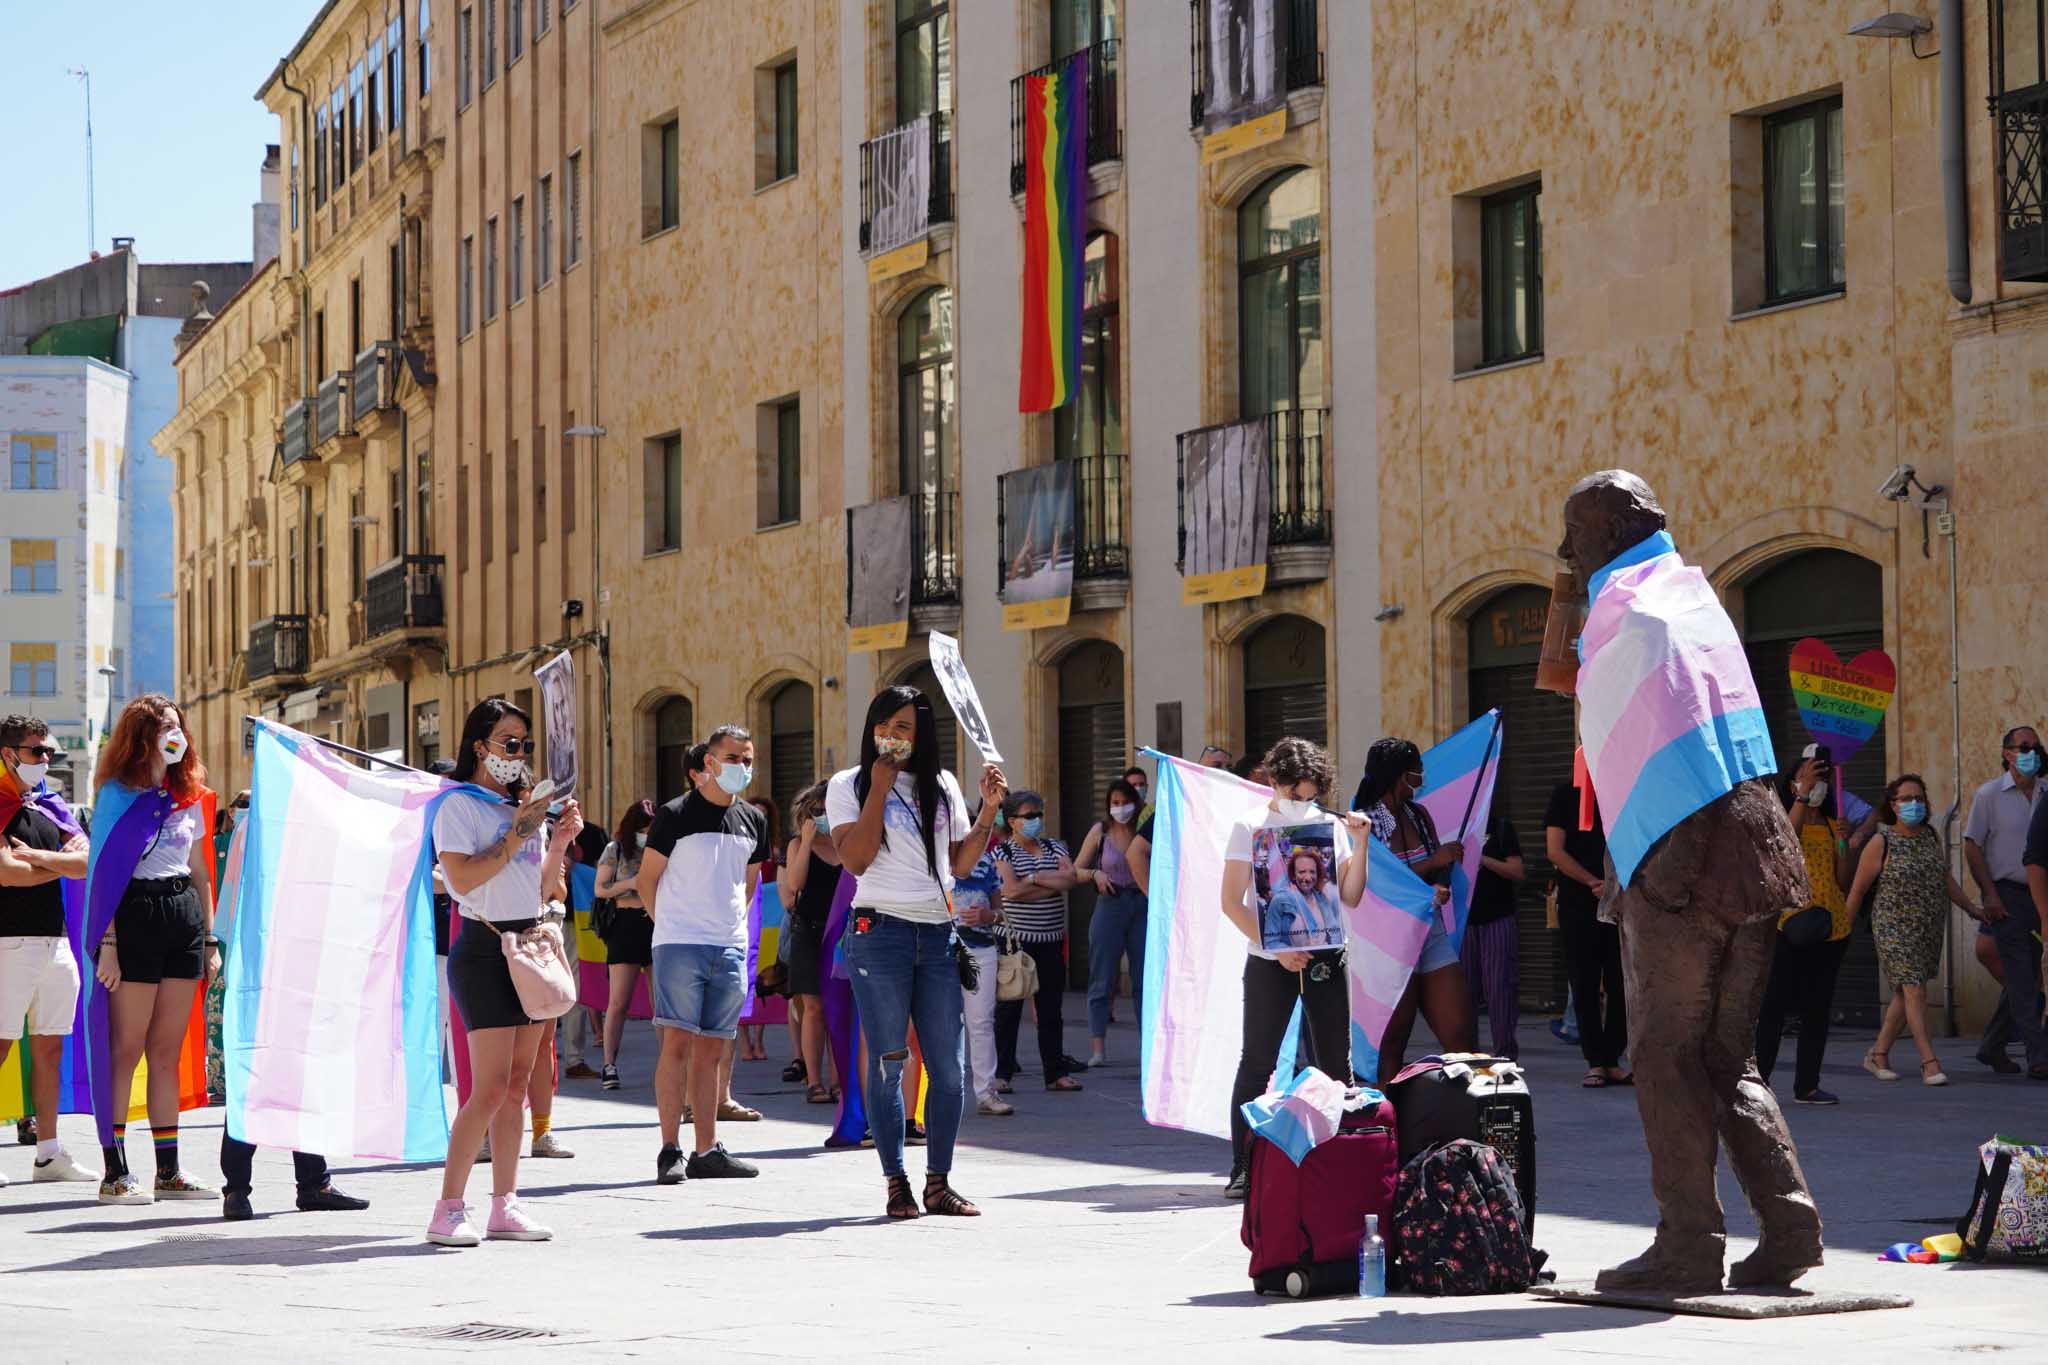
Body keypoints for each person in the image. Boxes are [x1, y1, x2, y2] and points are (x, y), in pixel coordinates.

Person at [1560, 469, 1818, 1294]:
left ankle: (1687, 1241)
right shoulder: (1692, 600)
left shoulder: (1629, 613)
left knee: (1666, 1054)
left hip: (1687, 854)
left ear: (1605, 533)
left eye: (1574, 532)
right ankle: (1788, 1224)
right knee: (1727, 1054)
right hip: (1757, 843)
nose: (1566, 550)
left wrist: (1658, 870)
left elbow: (1676, 747)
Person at [826, 683, 1006, 1219]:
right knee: (889, 1061)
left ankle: (938, 1182)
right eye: (884, 725)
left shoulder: (943, 784)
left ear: (922, 734)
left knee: (948, 1071)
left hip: (936, 933)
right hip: (878, 931)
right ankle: (895, 1181)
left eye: (904, 728)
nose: (891, 737)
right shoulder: (848, 784)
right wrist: (877, 791)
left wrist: (989, 813)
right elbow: (855, 861)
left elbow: (960, 865)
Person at [427, 697, 582, 1246]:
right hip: (486, 949)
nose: (518, 755)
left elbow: (539, 887)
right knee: (489, 1087)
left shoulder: (523, 809)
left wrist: (557, 840)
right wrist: (518, 831)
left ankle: (505, 1204)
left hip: (529, 944)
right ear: (479, 747)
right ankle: (448, 1207)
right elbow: (463, 880)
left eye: (524, 745)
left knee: (517, 1085)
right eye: (508, 744)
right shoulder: (459, 806)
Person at [1221, 736, 1370, 1198]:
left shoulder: (1330, 825)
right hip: (1271, 960)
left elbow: (1350, 896)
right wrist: (1277, 949)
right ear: (1276, 781)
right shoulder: (1249, 825)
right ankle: (1243, 1166)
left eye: (1310, 796)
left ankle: (1346, 1160)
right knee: (1257, 1062)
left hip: (1327, 954)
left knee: (1335, 1064)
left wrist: (1360, 844)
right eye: (1294, 794)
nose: (1302, 804)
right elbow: (1231, 902)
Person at [87, 696, 219, 1205]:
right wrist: (111, 945)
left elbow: (201, 871)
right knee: (126, 1049)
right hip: (134, 920)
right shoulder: (116, 797)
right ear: (140, 737)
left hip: (182, 917)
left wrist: (208, 938)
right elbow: (106, 878)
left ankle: (169, 1171)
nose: (174, 733)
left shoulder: (193, 797)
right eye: (163, 726)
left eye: (178, 725)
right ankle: (115, 1171)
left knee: (165, 1050)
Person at [635, 725, 770, 1186]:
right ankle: (670, 1148)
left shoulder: (754, 819)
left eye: (748, 759)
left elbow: (749, 883)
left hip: (728, 946)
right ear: (709, 763)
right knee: (676, 1046)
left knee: (713, 1050)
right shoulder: (673, 815)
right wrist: (667, 926)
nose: (743, 768)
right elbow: (647, 880)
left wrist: (731, 927)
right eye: (734, 759)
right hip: (679, 943)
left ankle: (707, 1150)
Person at [0, 714, 97, 1188]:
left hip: (55, 943)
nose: (45, 759)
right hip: (6, 945)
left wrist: (38, 858)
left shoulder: (51, 805)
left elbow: (87, 860)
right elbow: (6, 874)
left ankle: (48, 1154)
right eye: (36, 751)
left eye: (49, 752)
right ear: (8, 753)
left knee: (50, 1049)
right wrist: (61, 865)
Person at [1354, 738, 1477, 1085]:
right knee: (1392, 1044)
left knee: (1460, 1037)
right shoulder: (1363, 823)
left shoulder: (1418, 815)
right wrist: (1431, 863)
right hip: (1389, 942)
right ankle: (1390, 1128)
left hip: (1430, 932)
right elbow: (1373, 883)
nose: (1422, 782)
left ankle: (1461, 1118)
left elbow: (1434, 872)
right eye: (1417, 775)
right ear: (1398, 776)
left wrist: (1441, 877)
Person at [1848, 775, 1983, 1087]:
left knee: (1906, 991)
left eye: (1919, 798)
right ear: (1892, 805)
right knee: (1914, 989)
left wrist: (1971, 908)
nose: (1914, 804)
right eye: (1906, 799)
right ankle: (1929, 1062)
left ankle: (1878, 1054)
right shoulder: (1881, 842)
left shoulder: (1929, 836)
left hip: (1928, 926)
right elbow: (1857, 891)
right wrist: (1841, 929)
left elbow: (1944, 878)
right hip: (1894, 927)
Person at [1756, 751, 1876, 1104]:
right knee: (1773, 1006)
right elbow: (1784, 847)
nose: (1816, 786)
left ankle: (1807, 1084)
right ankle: (1760, 1080)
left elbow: (1843, 879)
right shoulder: (1780, 816)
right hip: (1787, 924)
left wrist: (1845, 844)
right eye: (1809, 778)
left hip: (1830, 927)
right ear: (1794, 783)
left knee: (1817, 1009)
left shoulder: (1829, 822)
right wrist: (1802, 795)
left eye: (1821, 780)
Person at [1964, 726, 2048, 1079]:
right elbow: (1972, 845)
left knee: (2024, 977)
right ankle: (2039, 1057)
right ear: (2008, 753)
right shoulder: (1989, 795)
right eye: (2023, 746)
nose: (2031, 752)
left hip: (2040, 895)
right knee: (2023, 978)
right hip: (2008, 894)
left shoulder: (2046, 792)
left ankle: (1992, 1046)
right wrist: (1989, 894)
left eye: (2036, 746)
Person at [993, 790, 1083, 1093]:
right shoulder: (1002, 851)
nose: (1036, 821)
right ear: (1013, 821)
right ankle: (1002, 1073)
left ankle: (1055, 1072)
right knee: (1009, 1009)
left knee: (1050, 1009)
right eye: (1029, 816)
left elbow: (1070, 879)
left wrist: (1031, 880)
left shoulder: (1055, 846)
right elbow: (1011, 891)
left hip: (1051, 938)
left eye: (1038, 814)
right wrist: (1043, 881)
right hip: (1015, 942)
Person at [1546, 779, 1627, 1086]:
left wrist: (1615, 884)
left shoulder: (1622, 790)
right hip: (1579, 904)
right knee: (1585, 983)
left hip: (1620, 901)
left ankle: (1612, 1058)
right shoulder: (1566, 793)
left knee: (1621, 983)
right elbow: (1555, 850)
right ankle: (1595, 1061)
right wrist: (1593, 882)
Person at [1074, 779, 1147, 1068]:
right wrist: (1095, 875)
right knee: (1102, 977)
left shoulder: (1144, 831)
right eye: (1114, 803)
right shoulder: (1100, 832)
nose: (1120, 808)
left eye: (1124, 802)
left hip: (1142, 904)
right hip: (1111, 903)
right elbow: (1075, 869)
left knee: (1144, 980)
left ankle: (1148, 1048)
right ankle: (1097, 1048)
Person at [779, 783, 844, 1105]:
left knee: (839, 1008)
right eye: (817, 812)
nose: (824, 817)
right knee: (813, 1009)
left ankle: (838, 1080)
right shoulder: (796, 845)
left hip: (843, 932)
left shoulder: (848, 844)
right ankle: (814, 1080)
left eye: (829, 810)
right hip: (809, 930)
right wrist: (806, 842)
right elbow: (795, 884)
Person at [593, 799, 657, 1090]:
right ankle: (609, 1064)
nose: (648, 832)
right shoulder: (615, 849)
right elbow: (600, 888)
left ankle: (668, 1066)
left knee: (663, 1004)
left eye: (652, 827)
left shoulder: (661, 849)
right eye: (644, 827)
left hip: (657, 924)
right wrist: (631, 883)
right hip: (626, 924)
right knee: (619, 1001)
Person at [1461, 809, 1526, 1061]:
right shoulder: (1455, 826)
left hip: (1497, 918)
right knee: (1464, 992)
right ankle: (1468, 1054)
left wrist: (1483, 860)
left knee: (1501, 988)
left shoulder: (1500, 826)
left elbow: (1518, 871)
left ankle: (1505, 1055)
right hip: (1464, 921)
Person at [737, 795, 782, 1064]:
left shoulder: (773, 850)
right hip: (744, 916)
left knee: (764, 977)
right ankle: (743, 1042)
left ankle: (759, 1040)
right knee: (742, 978)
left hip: (767, 919)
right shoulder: (738, 846)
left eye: (763, 814)